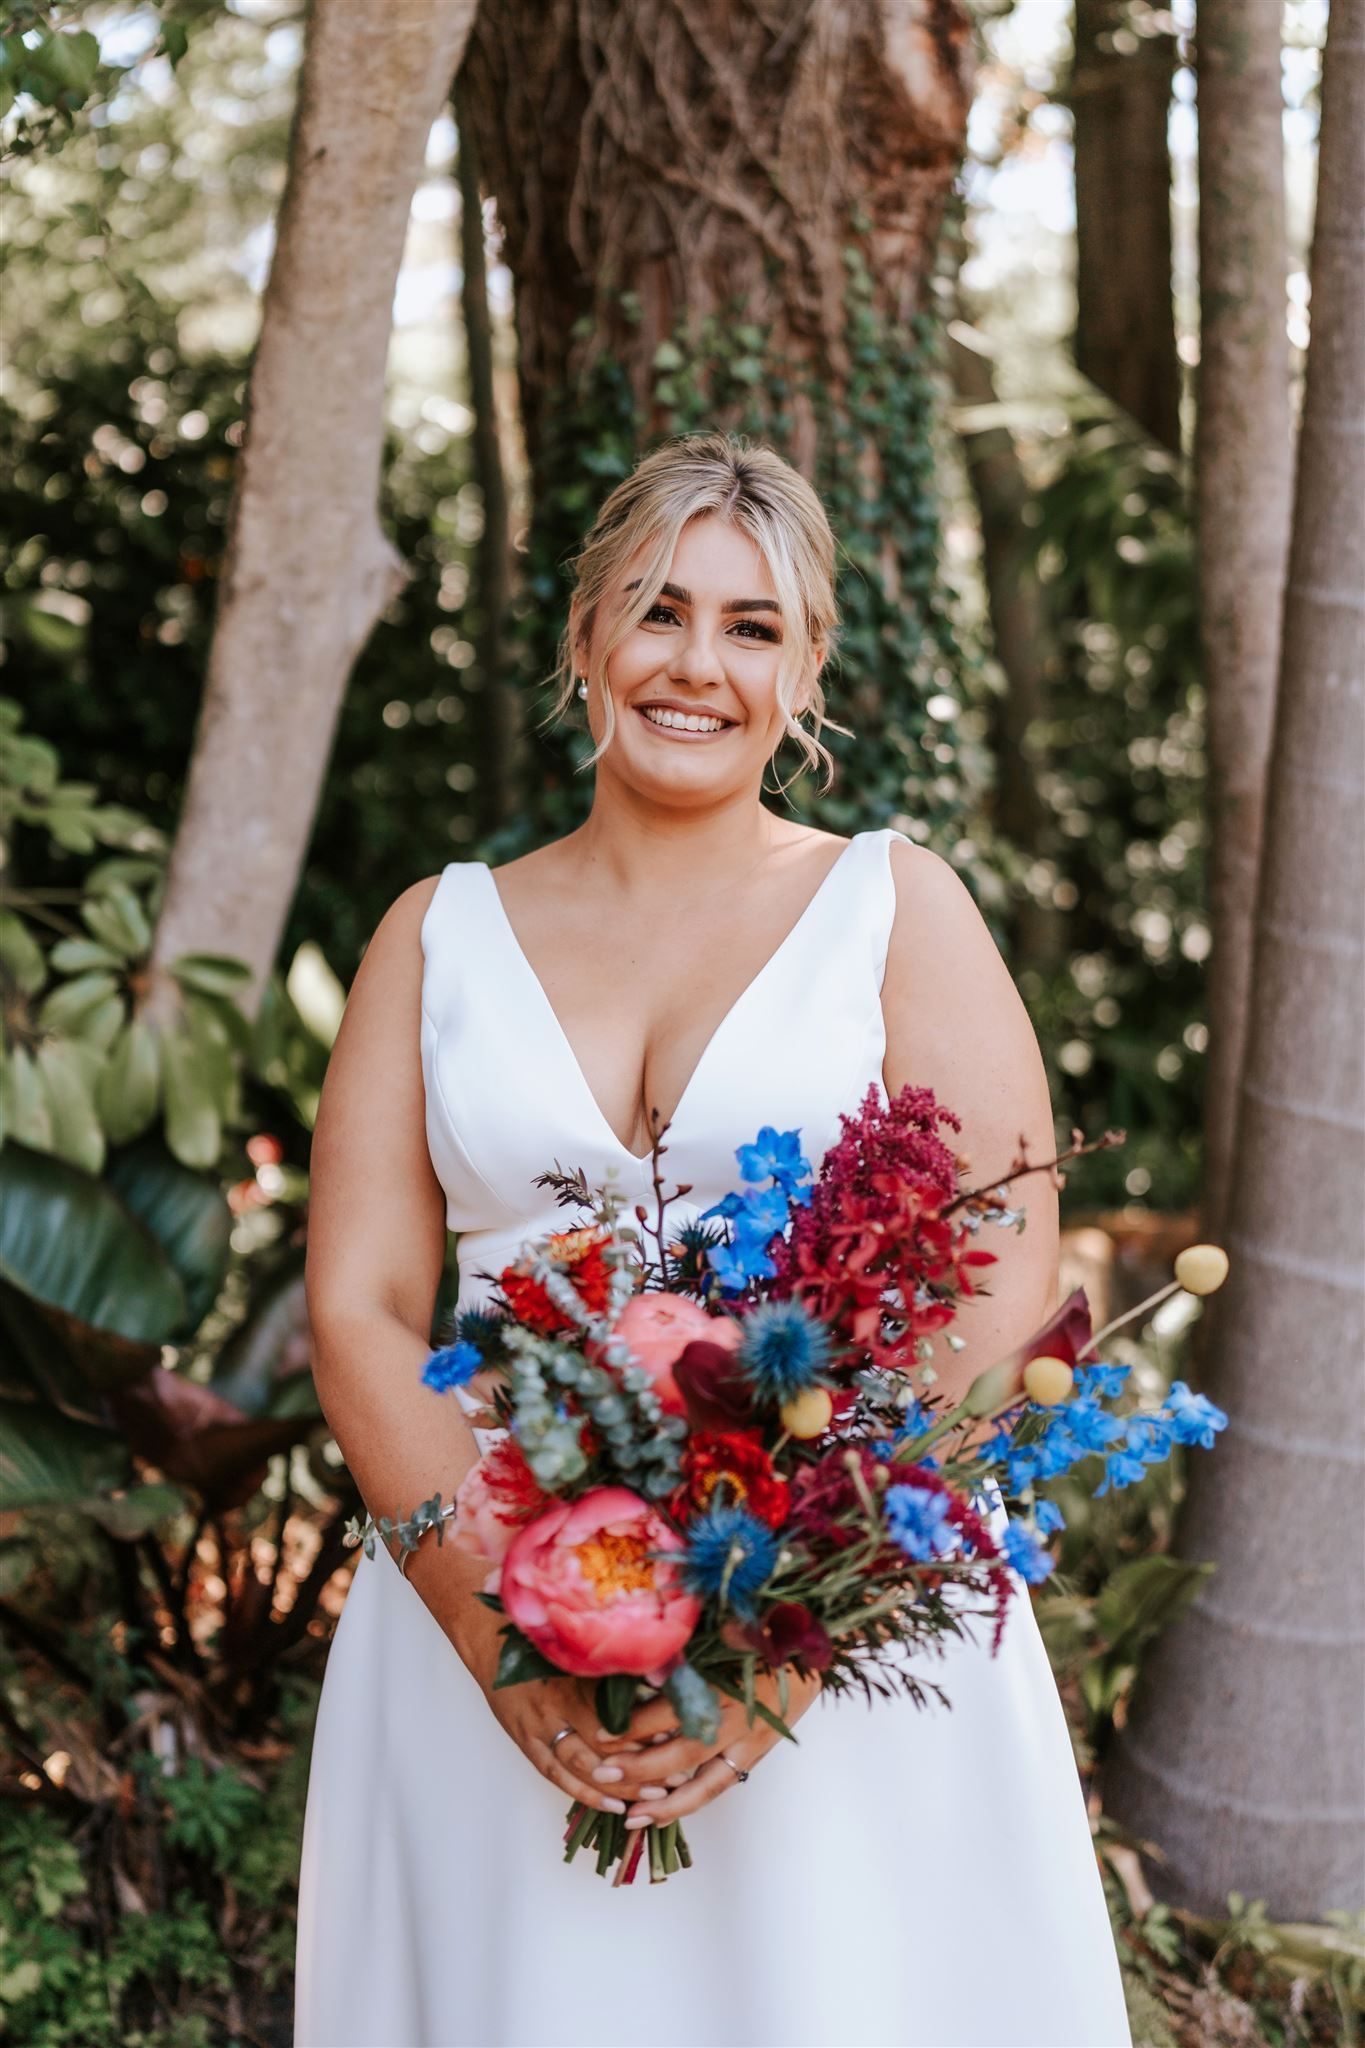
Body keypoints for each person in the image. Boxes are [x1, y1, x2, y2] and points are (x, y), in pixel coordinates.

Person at [294, 432, 1132, 2048]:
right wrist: (501, 1639)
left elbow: (999, 1291)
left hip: (842, 1629)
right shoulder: (435, 933)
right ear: (587, 641)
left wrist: (791, 1636)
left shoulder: (897, 906)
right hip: (489, 1609)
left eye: (751, 627)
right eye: (657, 611)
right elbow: (361, 1309)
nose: (696, 665)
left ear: (808, 665)